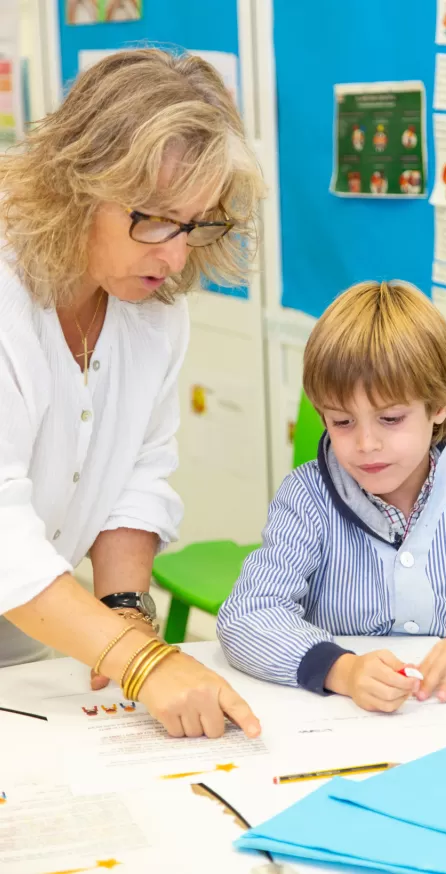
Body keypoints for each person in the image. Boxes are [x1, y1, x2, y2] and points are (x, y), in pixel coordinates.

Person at [0, 48, 264, 739]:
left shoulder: (151, 304)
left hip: (32, 625)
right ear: (76, 185)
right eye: (153, 220)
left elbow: (137, 469)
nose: (175, 256)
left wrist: (122, 606)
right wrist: (143, 663)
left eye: (196, 223)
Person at [217, 280, 446, 713]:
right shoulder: (306, 498)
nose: (366, 444)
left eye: (390, 419)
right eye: (342, 422)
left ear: (439, 405)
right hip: (341, 716)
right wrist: (342, 670)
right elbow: (246, 616)